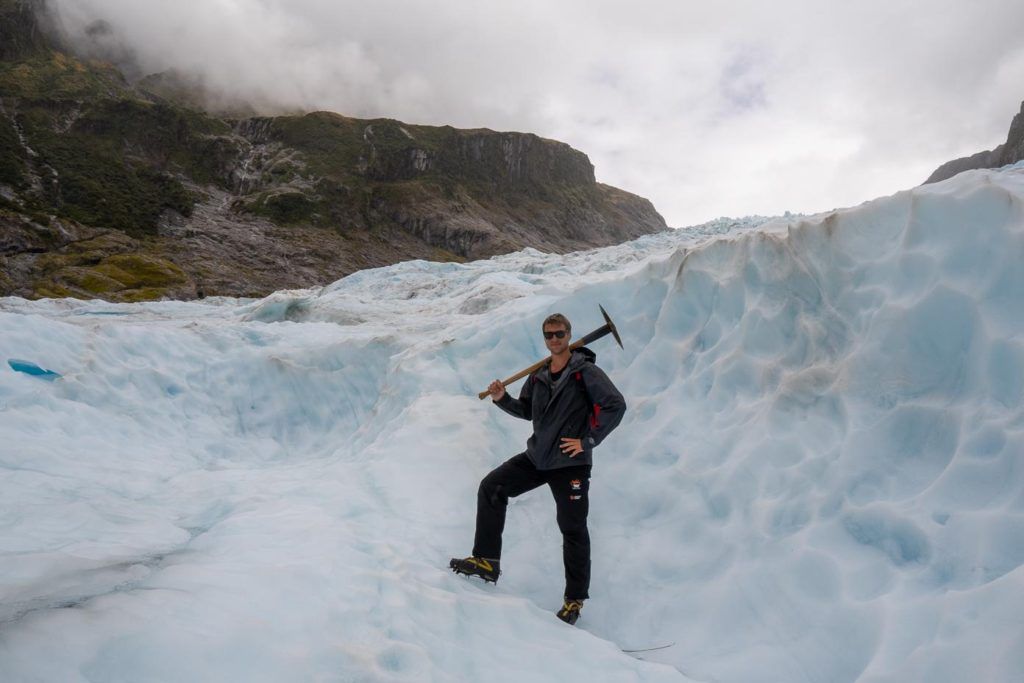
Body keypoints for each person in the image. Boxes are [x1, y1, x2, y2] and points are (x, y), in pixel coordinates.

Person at [450, 313, 626, 625]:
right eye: (549, 335)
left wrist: (588, 441)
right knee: (492, 487)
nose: (554, 339)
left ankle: (574, 600)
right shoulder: (539, 375)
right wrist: (502, 399)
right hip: (539, 458)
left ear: (569, 334)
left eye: (559, 334)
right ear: (544, 338)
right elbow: (527, 411)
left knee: (572, 529)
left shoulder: (585, 372)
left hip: (570, 463)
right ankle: (487, 561)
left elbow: (615, 404)